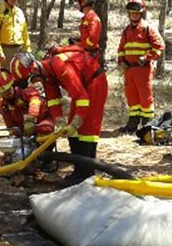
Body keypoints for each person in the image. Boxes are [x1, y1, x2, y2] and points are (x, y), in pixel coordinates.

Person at [9, 50, 108, 186]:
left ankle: (86, 173)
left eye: (32, 80)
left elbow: (81, 97)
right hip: (83, 88)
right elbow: (53, 101)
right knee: (73, 134)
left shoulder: (60, 66)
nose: (35, 84)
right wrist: (59, 120)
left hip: (95, 83)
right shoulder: (47, 75)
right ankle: (79, 172)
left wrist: (76, 122)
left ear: (35, 69)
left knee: (87, 130)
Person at [117, 0, 165, 133]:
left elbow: (159, 46)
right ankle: (132, 124)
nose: (134, 16)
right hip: (129, 69)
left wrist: (147, 57)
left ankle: (147, 124)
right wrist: (121, 61)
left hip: (143, 69)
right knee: (131, 96)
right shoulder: (126, 30)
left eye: (136, 13)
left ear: (141, 13)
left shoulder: (147, 28)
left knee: (145, 97)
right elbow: (121, 48)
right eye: (132, 13)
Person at [0, 69, 55, 138]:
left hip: (42, 121)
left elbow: (35, 102)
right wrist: (16, 135)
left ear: (12, 85)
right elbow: (10, 125)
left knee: (44, 129)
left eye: (8, 89)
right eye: (3, 92)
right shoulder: (4, 105)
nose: (7, 93)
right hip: (24, 130)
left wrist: (30, 119)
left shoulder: (26, 92)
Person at [0, 0, 30, 68]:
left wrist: (27, 49)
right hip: (6, 50)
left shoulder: (19, 12)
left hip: (20, 49)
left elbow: (25, 32)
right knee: (6, 76)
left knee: (21, 75)